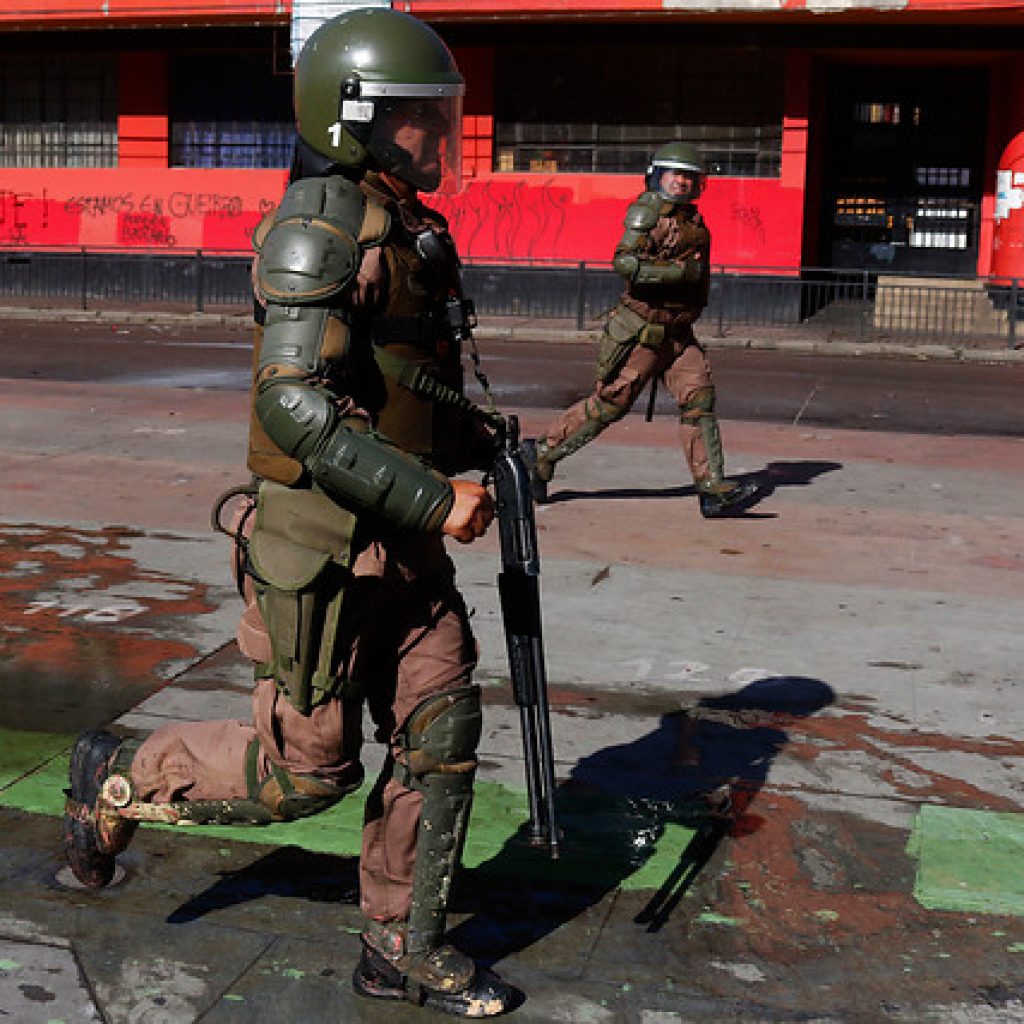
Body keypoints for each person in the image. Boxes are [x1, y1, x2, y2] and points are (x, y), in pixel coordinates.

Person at [62, 9, 517, 1017]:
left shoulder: (406, 221)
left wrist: (483, 443)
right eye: (411, 120)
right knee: (302, 777)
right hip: (322, 553)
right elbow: (294, 404)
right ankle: (118, 779)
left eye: (435, 116)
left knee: (441, 731)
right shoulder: (320, 226)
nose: (433, 136)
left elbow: (403, 380)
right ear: (353, 121)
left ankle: (399, 945)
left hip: (402, 543)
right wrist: (440, 498)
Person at [523, 142, 761, 518]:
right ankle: (541, 454)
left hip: (680, 334)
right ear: (658, 176)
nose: (682, 183)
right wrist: (678, 273)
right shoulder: (648, 213)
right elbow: (625, 263)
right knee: (610, 405)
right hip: (643, 331)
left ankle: (712, 488)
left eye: (689, 177)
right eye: (675, 175)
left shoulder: (691, 220)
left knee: (699, 402)